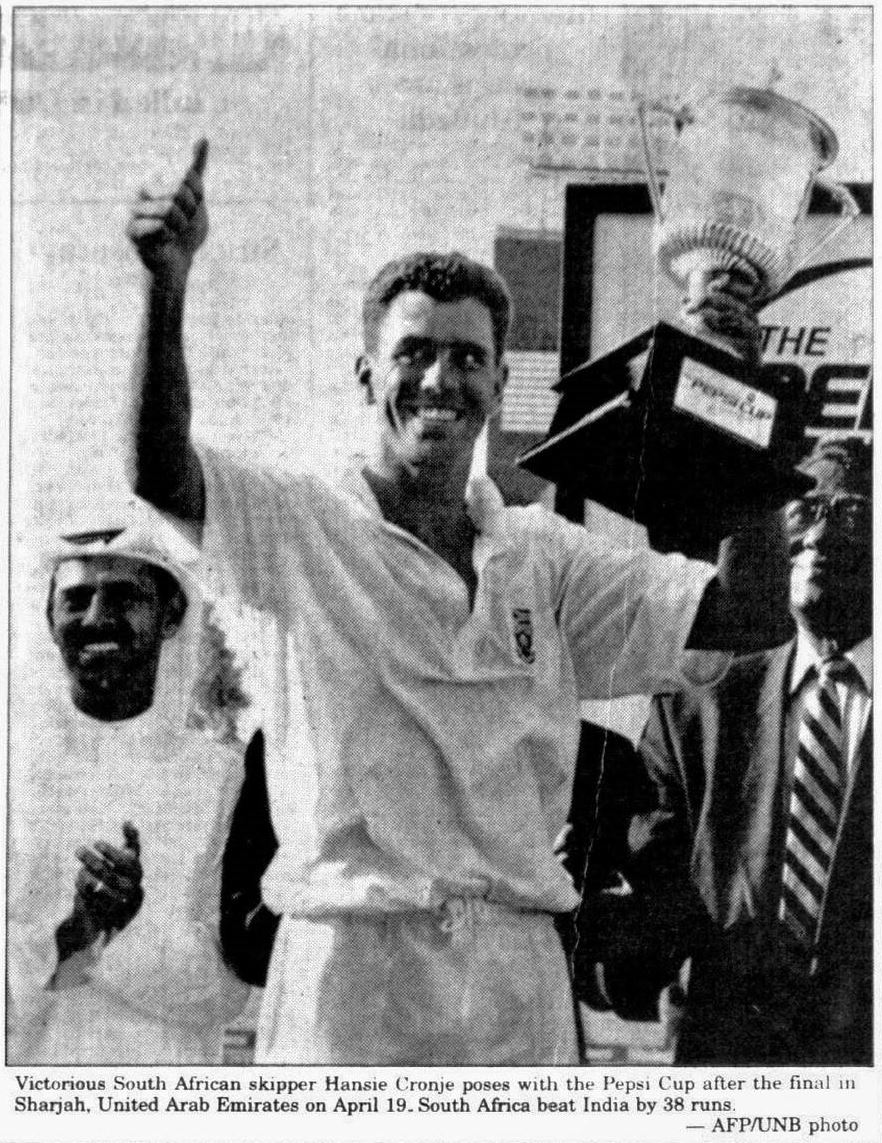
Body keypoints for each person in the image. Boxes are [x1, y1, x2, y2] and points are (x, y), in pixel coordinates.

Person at [123, 138, 786, 1065]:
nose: (440, 380)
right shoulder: (296, 523)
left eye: (468, 358)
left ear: (499, 384)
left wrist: (737, 399)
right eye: (414, 353)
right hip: (352, 977)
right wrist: (166, 284)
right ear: (366, 374)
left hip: (516, 981)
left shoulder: (543, 554)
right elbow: (159, 472)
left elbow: (748, 613)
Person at [586, 436, 872, 1065]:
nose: (820, 535)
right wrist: (581, 903)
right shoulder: (699, 712)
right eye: (804, 511)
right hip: (732, 1064)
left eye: (852, 513)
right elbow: (658, 909)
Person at [7, 519, 250, 1063]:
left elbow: (229, 989)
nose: (96, 618)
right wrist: (75, 936)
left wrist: (122, 934)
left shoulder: (222, 778)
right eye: (76, 599)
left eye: (123, 596)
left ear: (171, 614)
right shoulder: (14, 769)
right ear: (49, 620)